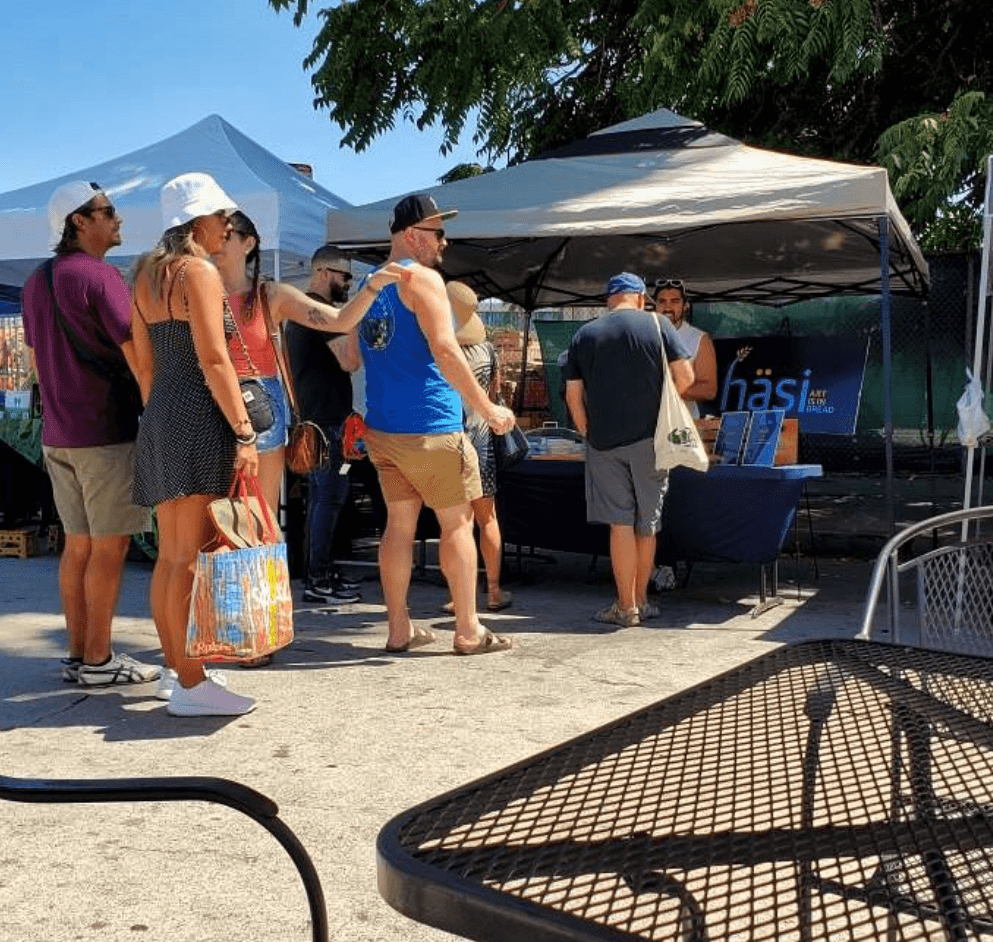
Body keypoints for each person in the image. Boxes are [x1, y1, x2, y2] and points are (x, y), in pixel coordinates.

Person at [130, 173, 405, 716]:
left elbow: (143, 363)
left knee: (171, 558)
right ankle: (191, 685)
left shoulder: (143, 275)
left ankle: (178, 673)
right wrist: (241, 430)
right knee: (190, 559)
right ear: (198, 220)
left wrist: (161, 415)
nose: (224, 226)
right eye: (220, 217)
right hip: (201, 417)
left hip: (162, 414)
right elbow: (215, 359)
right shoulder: (197, 272)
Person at [345, 193, 516, 655]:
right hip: (431, 426)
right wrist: (487, 408)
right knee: (457, 524)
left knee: (398, 528)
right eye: (437, 232)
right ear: (412, 235)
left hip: (384, 428)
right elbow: (445, 349)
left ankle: (399, 629)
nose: (444, 241)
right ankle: (468, 630)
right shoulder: (422, 279)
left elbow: (350, 357)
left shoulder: (369, 284)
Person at [21, 180, 159, 688]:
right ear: (79, 221)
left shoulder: (37, 280)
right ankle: (100, 660)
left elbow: (36, 362)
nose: (117, 218)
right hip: (105, 431)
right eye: (108, 210)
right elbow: (138, 358)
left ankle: (79, 655)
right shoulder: (101, 277)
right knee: (109, 548)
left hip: (59, 433)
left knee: (77, 546)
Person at [563, 272, 694, 628]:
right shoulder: (658, 325)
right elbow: (686, 378)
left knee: (619, 523)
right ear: (640, 298)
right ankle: (642, 601)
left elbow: (573, 396)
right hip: (652, 441)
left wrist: (588, 432)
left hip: (603, 443)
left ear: (609, 299)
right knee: (647, 524)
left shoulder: (584, 334)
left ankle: (625, 608)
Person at [283, 247, 362, 605]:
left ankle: (321, 572)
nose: (347, 283)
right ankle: (318, 577)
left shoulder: (305, 312)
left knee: (323, 499)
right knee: (329, 498)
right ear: (324, 272)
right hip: (326, 426)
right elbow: (350, 362)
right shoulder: (320, 314)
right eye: (344, 276)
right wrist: (353, 322)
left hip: (321, 423)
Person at [439, 281, 512, 614]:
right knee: (487, 518)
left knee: (454, 524)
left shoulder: (437, 351)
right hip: (481, 445)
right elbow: (495, 396)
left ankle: (458, 595)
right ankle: (494, 591)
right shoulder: (488, 351)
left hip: (446, 442)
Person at [652, 279, 717, 418]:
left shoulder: (698, 338)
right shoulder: (643, 335)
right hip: (646, 423)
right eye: (662, 302)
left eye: (674, 301)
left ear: (685, 306)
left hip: (683, 422)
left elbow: (709, 389)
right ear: (655, 305)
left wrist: (669, 391)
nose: (667, 307)